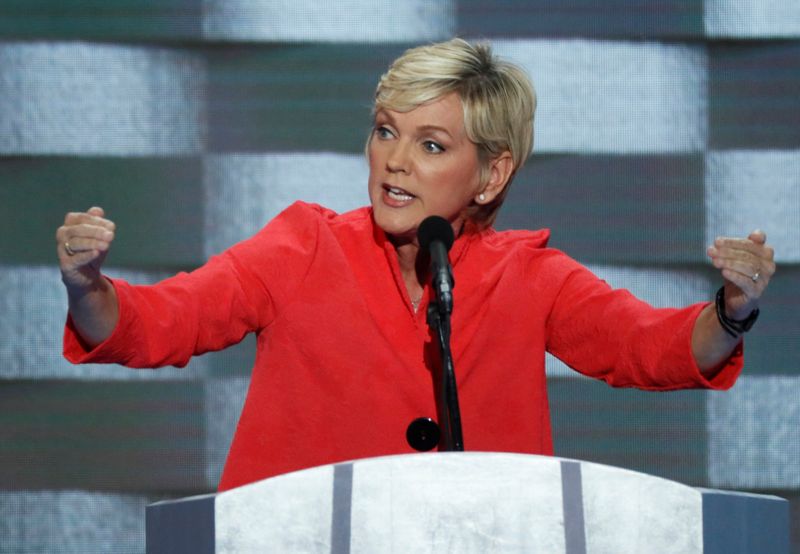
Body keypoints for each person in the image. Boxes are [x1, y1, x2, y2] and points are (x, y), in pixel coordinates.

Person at [56, 38, 776, 492]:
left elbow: (651, 346)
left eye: (432, 145)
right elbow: (160, 322)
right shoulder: (302, 246)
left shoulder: (529, 275)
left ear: (492, 176)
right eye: (386, 132)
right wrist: (88, 285)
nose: (395, 160)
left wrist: (731, 310)